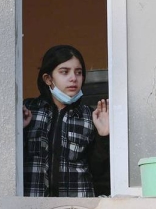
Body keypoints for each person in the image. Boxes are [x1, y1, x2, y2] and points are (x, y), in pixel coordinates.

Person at [22, 45, 110, 197]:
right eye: (64, 72)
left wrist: (103, 136)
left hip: (77, 208)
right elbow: (10, 166)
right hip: (32, 207)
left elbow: (98, 172)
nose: (73, 78)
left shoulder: (89, 116)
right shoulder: (28, 111)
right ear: (48, 78)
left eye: (79, 72)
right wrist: (19, 131)